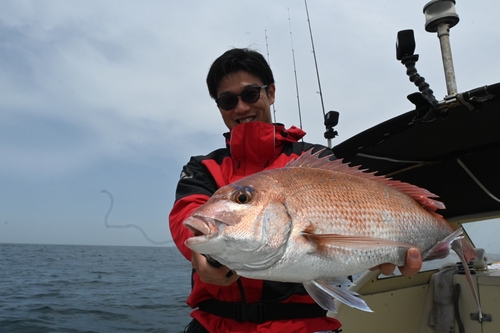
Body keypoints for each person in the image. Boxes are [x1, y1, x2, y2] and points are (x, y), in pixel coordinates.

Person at [169, 48, 423, 333]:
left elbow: (362, 216)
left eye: (251, 94)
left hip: (304, 325)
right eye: (227, 100)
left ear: (271, 92)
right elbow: (187, 214)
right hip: (214, 325)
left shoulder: (315, 161)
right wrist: (197, 253)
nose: (240, 108)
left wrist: (374, 253)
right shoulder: (204, 167)